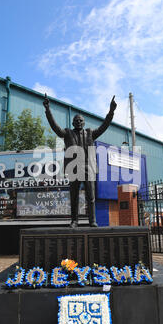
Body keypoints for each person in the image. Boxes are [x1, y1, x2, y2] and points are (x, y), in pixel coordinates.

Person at [43, 94, 117, 227]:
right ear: (73, 123)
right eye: (76, 120)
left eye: (81, 120)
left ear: (84, 122)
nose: (78, 122)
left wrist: (111, 111)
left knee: (91, 197)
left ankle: (92, 221)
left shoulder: (90, 133)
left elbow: (104, 125)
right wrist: (48, 110)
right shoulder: (67, 133)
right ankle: (74, 221)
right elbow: (55, 127)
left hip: (88, 169)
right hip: (74, 169)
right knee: (74, 197)